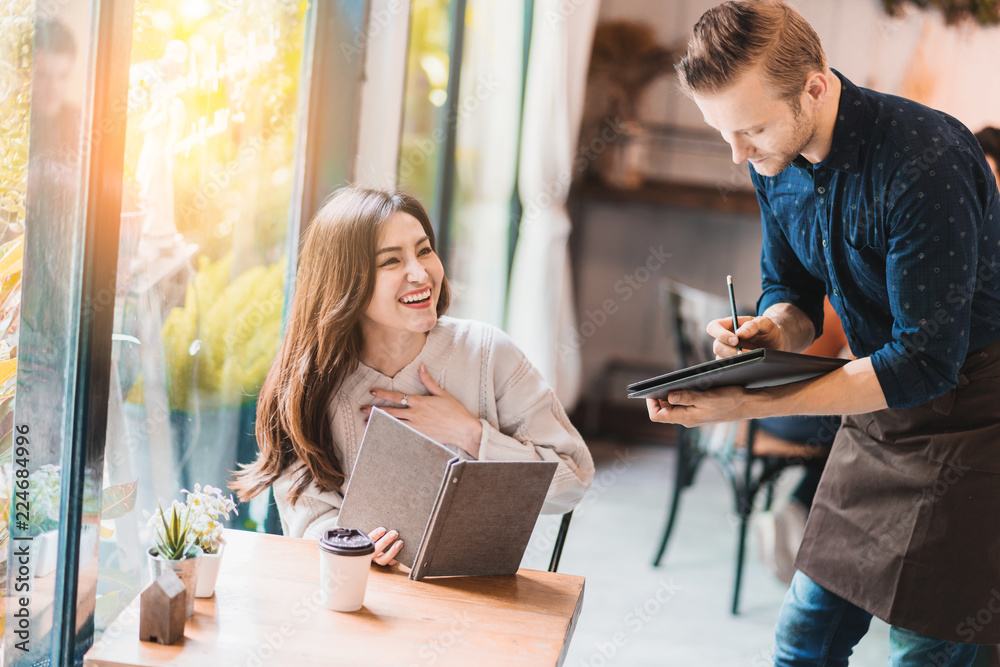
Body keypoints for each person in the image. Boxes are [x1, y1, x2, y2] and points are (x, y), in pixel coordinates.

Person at [649, 1, 1000, 665]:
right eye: (724, 132)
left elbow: (926, 363)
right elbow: (794, 293)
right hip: (878, 410)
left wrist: (750, 403)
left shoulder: (927, 160)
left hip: (976, 420)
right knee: (803, 640)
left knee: (927, 650)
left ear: (815, 84)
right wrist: (770, 331)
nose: (737, 154)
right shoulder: (768, 159)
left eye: (750, 129)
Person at [231, 186, 594, 565]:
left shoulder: (487, 353)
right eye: (391, 261)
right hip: (361, 593)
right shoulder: (309, 386)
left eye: (424, 251)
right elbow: (308, 522)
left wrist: (470, 434)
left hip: (478, 598)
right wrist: (358, 546)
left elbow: (573, 482)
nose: (420, 273)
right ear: (343, 280)